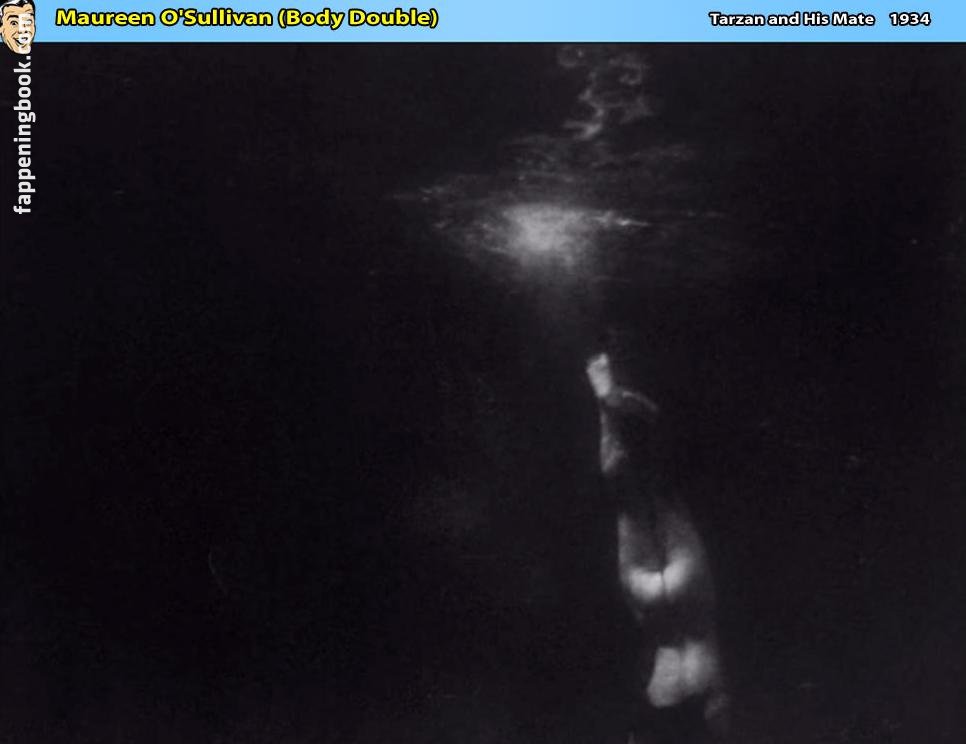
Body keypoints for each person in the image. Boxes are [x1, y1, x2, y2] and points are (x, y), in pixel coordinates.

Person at [587, 352, 730, 744]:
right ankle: (607, 401)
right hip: (695, 669)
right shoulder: (666, 468)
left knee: (627, 495)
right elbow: (657, 430)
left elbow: (647, 440)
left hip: (662, 678)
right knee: (641, 492)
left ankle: (606, 401)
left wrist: (609, 403)